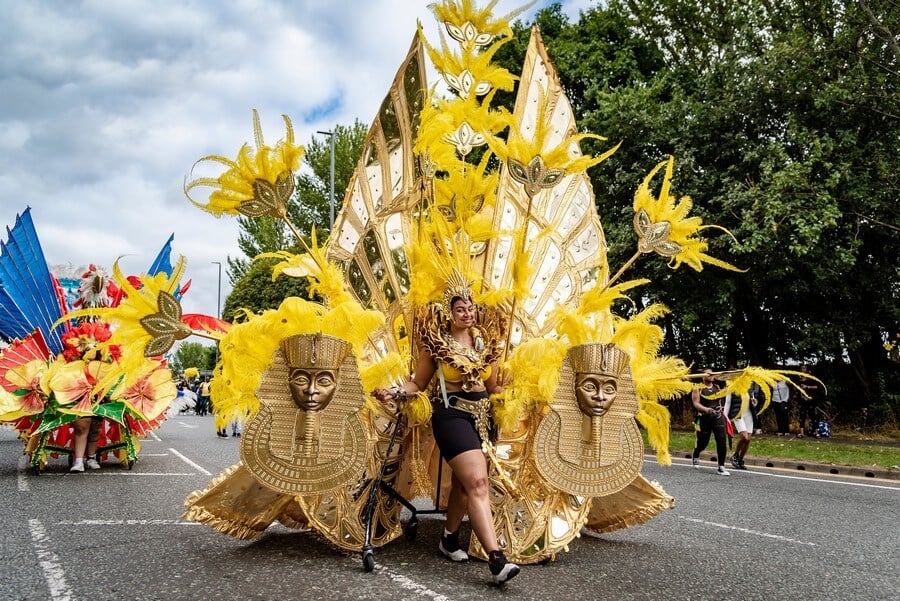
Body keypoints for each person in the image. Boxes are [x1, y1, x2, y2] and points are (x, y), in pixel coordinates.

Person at [373, 282, 520, 584]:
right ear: (449, 314)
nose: (467, 313)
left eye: (470, 308)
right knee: (478, 482)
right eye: (460, 309)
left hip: (483, 417)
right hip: (451, 414)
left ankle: (449, 540)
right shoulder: (436, 344)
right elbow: (418, 383)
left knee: (465, 486)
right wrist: (395, 392)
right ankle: (496, 558)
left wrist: (521, 393)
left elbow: (492, 388)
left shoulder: (485, 344)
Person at [690, 369, 730, 476]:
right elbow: (696, 403)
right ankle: (696, 453)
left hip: (717, 417)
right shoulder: (697, 387)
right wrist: (706, 409)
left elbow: (720, 401)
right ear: (703, 376)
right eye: (708, 374)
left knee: (721, 440)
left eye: (712, 374)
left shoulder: (717, 387)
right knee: (703, 442)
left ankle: (721, 467)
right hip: (704, 418)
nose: (711, 375)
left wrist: (720, 409)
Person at [724, 391, 753, 470]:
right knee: (745, 437)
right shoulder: (731, 389)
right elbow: (727, 404)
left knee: (748, 440)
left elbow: (752, 402)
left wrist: (754, 402)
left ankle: (740, 459)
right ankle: (735, 455)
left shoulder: (748, 387)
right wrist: (725, 419)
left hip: (749, 415)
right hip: (738, 414)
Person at [797, 364, 821, 437]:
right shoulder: (799, 378)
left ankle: (816, 432)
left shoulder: (811, 378)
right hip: (802, 400)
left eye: (804, 368)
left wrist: (807, 387)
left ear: (807, 369)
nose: (802, 369)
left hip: (811, 400)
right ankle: (802, 433)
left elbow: (817, 386)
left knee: (813, 416)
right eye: (801, 368)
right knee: (802, 416)